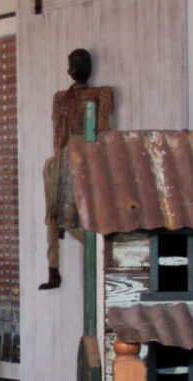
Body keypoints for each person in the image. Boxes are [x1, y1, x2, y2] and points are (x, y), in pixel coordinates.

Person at [42, 49, 114, 290]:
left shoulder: (101, 93)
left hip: (87, 155)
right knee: (50, 173)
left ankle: (99, 250)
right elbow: (59, 136)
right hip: (72, 155)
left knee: (62, 209)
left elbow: (101, 129)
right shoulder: (62, 98)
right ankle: (54, 265)